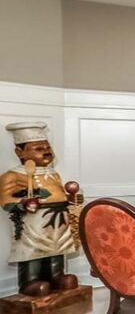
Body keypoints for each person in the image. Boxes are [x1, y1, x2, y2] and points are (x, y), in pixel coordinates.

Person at [0, 122, 81, 297]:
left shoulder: (53, 174)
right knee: (33, 251)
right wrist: (24, 202)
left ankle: (56, 276)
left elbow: (58, 194)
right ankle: (30, 281)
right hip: (33, 223)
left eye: (47, 147)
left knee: (57, 249)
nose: (46, 151)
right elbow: (6, 200)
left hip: (59, 220)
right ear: (20, 152)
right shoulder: (13, 175)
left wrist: (70, 197)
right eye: (38, 148)